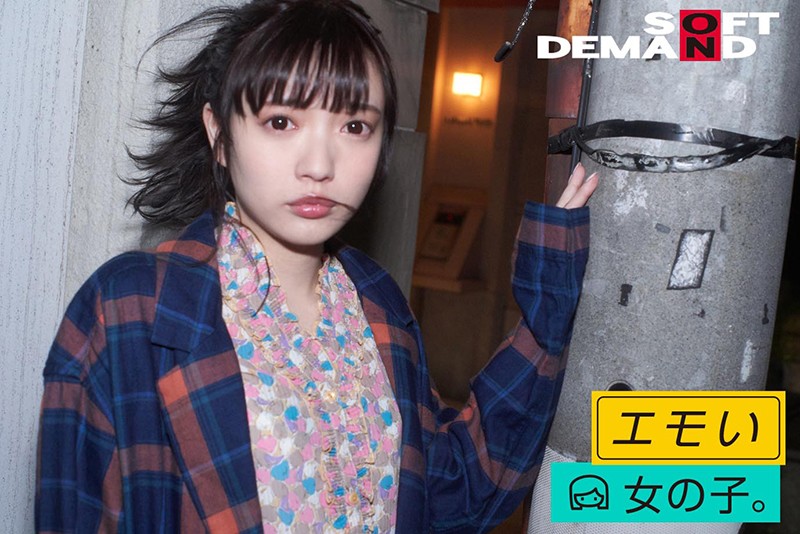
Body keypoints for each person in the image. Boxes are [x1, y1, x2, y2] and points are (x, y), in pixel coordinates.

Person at [35, 0, 598, 532]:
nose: (320, 165)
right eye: (282, 121)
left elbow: (455, 493)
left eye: (355, 127)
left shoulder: (375, 301)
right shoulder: (130, 308)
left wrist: (548, 294)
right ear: (219, 134)